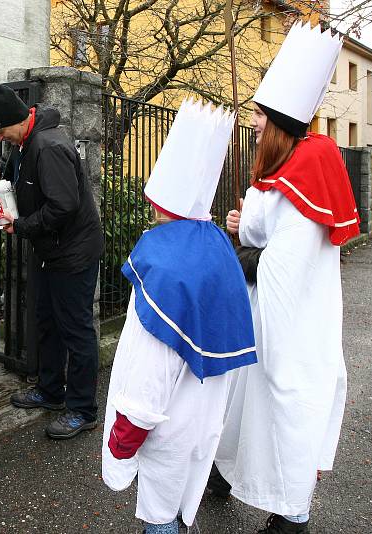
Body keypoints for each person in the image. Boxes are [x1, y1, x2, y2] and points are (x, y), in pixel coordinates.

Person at [211, 23, 360, 534]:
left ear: (276, 122)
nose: (251, 123)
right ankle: (225, 471)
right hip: (273, 313)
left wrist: (245, 250)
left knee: (285, 397)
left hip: (291, 322)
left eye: (257, 115)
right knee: (242, 395)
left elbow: (281, 264)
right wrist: (243, 226)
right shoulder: (290, 164)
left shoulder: (307, 165)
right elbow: (263, 220)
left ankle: (292, 510)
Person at [101, 99, 258, 534]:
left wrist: (125, 435)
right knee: (179, 505)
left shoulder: (166, 269)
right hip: (203, 417)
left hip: (163, 428)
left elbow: (151, 367)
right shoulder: (216, 247)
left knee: (162, 514)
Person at [0, 84, 104, 440]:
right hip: (51, 250)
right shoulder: (27, 142)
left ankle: (83, 409)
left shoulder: (49, 147)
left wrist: (21, 226)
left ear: (18, 122)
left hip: (72, 252)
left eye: (0, 132)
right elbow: (17, 166)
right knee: (47, 322)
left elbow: (63, 206)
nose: (0, 138)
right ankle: (51, 391)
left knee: (76, 330)